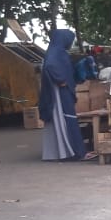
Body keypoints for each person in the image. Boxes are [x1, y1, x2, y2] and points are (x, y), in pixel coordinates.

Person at [39, 29, 87, 161]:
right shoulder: (56, 53)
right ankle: (74, 151)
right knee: (66, 118)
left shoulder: (56, 51)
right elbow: (50, 66)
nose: (70, 43)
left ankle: (64, 151)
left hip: (59, 91)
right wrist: (60, 80)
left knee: (62, 120)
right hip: (59, 93)